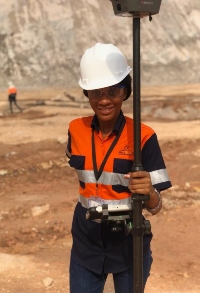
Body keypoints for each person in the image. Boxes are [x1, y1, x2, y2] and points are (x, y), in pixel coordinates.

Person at [66, 43, 172, 293]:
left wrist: (149, 193)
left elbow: (155, 207)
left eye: (113, 91)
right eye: (95, 92)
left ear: (125, 92)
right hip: (86, 242)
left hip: (129, 242)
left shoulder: (143, 136)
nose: (104, 100)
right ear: (87, 94)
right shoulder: (75, 129)